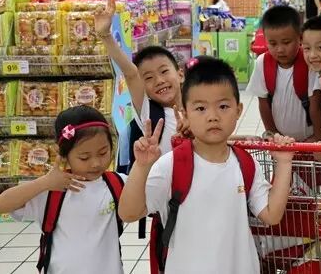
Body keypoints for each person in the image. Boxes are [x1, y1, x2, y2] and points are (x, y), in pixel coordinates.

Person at [119, 57, 295, 273]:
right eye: (201, 108)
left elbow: (271, 214)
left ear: (238, 110)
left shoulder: (246, 164)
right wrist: (141, 167)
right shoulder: (171, 165)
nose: (213, 116)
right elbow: (128, 213)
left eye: (223, 106)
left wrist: (284, 163)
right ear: (185, 113)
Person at [0, 106, 125, 274]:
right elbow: (2, 204)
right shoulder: (51, 190)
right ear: (64, 155)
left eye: (103, 153)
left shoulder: (117, 183)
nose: (96, 163)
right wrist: (43, 183)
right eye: (84, 157)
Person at [95, 0, 183, 164]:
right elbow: (131, 74)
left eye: (164, 71)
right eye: (148, 78)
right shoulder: (149, 114)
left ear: (180, 74)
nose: (159, 80)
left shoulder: (197, 110)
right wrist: (106, 35)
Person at [246, 5, 321, 142]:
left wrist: (318, 136)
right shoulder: (262, 63)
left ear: (300, 37)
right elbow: (263, 103)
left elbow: (316, 103)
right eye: (273, 43)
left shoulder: (309, 62)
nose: (280, 49)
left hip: (310, 139)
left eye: (286, 42)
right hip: (280, 140)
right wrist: (272, 134)